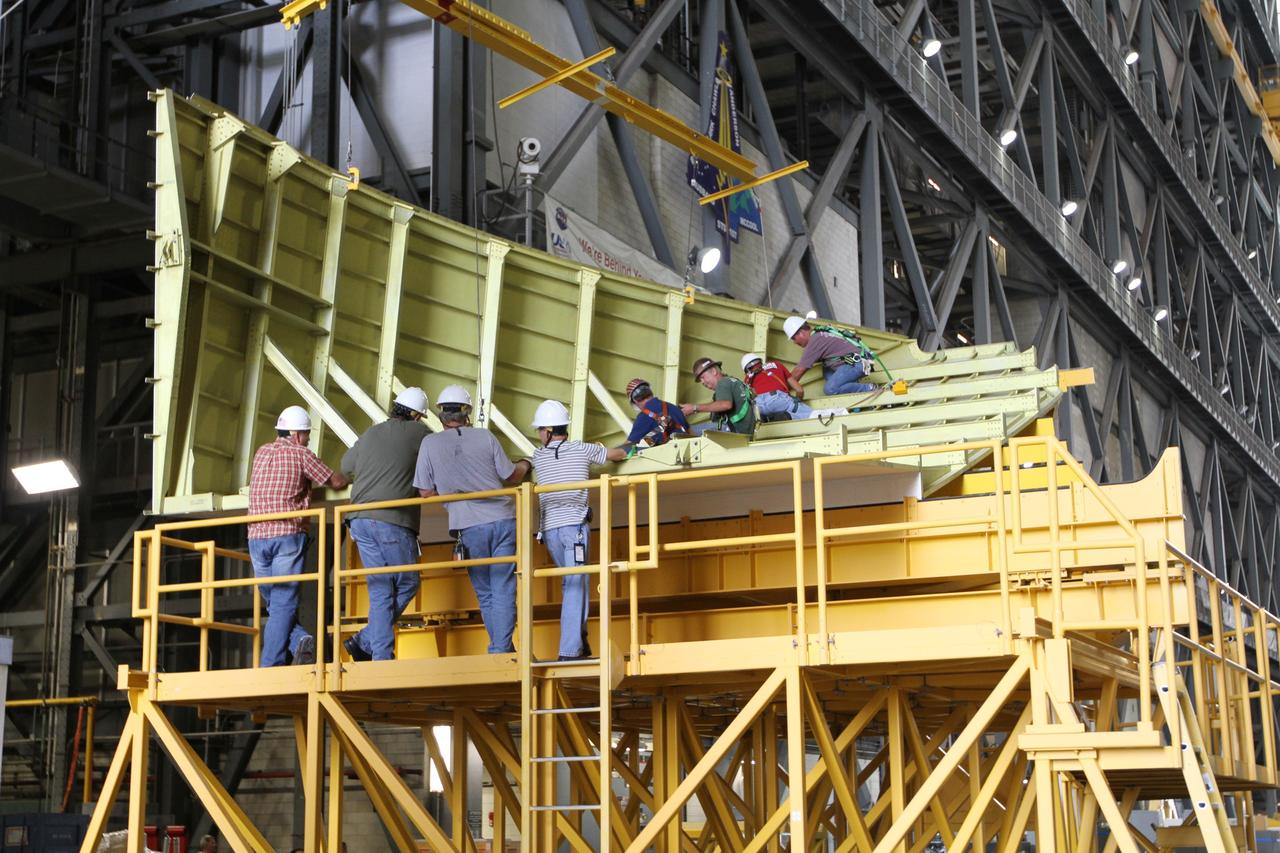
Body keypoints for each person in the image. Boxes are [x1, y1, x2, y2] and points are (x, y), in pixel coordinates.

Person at [414, 385, 531, 654]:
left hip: (467, 524)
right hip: (502, 519)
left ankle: (501, 647)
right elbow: (511, 476)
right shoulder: (485, 436)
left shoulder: (429, 444)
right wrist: (526, 463)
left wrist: (450, 494)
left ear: (440, 413)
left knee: (486, 591)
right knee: (503, 586)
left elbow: (425, 491)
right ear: (467, 412)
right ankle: (501, 647)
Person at [248, 406, 348, 667]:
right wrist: (350, 476)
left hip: (256, 537)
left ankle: (301, 641)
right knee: (282, 603)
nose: (307, 439)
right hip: (287, 535)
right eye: (305, 435)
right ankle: (271, 664)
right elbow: (334, 482)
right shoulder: (301, 454)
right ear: (295, 434)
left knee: (275, 603)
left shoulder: (261, 452)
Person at [528, 400, 627, 660]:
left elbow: (527, 462)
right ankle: (570, 650)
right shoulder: (581, 449)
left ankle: (579, 642)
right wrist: (619, 447)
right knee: (576, 585)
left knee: (571, 584)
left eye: (540, 429)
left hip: (549, 531)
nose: (539, 434)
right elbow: (618, 454)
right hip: (575, 530)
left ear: (548, 431)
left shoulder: (538, 456)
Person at [340, 387, 433, 662]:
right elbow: (440, 458)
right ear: (417, 415)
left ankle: (378, 653)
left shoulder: (370, 433)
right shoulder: (420, 433)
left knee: (381, 588)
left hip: (359, 521)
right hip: (392, 520)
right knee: (407, 582)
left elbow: (345, 468)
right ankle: (366, 641)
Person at [784, 314, 875, 395]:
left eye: (793, 338)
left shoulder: (814, 342)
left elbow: (799, 370)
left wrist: (782, 387)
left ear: (801, 333)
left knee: (830, 389)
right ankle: (853, 389)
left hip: (859, 363)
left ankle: (869, 388)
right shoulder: (819, 333)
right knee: (826, 368)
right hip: (860, 361)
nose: (794, 342)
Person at [681, 357, 756, 436]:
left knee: (685, 431)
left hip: (733, 430)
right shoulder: (734, 382)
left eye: (703, 377)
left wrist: (694, 408)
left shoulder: (723, 382)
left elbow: (725, 405)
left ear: (713, 371)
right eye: (700, 380)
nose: (702, 382)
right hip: (745, 430)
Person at [621, 378, 690, 450]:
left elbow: (627, 447)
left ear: (635, 401)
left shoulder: (643, 417)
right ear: (650, 392)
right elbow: (692, 434)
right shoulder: (674, 408)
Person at [740, 353, 813, 420]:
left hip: (759, 405)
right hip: (777, 398)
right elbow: (799, 390)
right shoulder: (777, 364)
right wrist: (797, 402)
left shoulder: (747, 379)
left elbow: (752, 396)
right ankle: (787, 416)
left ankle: (767, 418)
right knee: (810, 414)